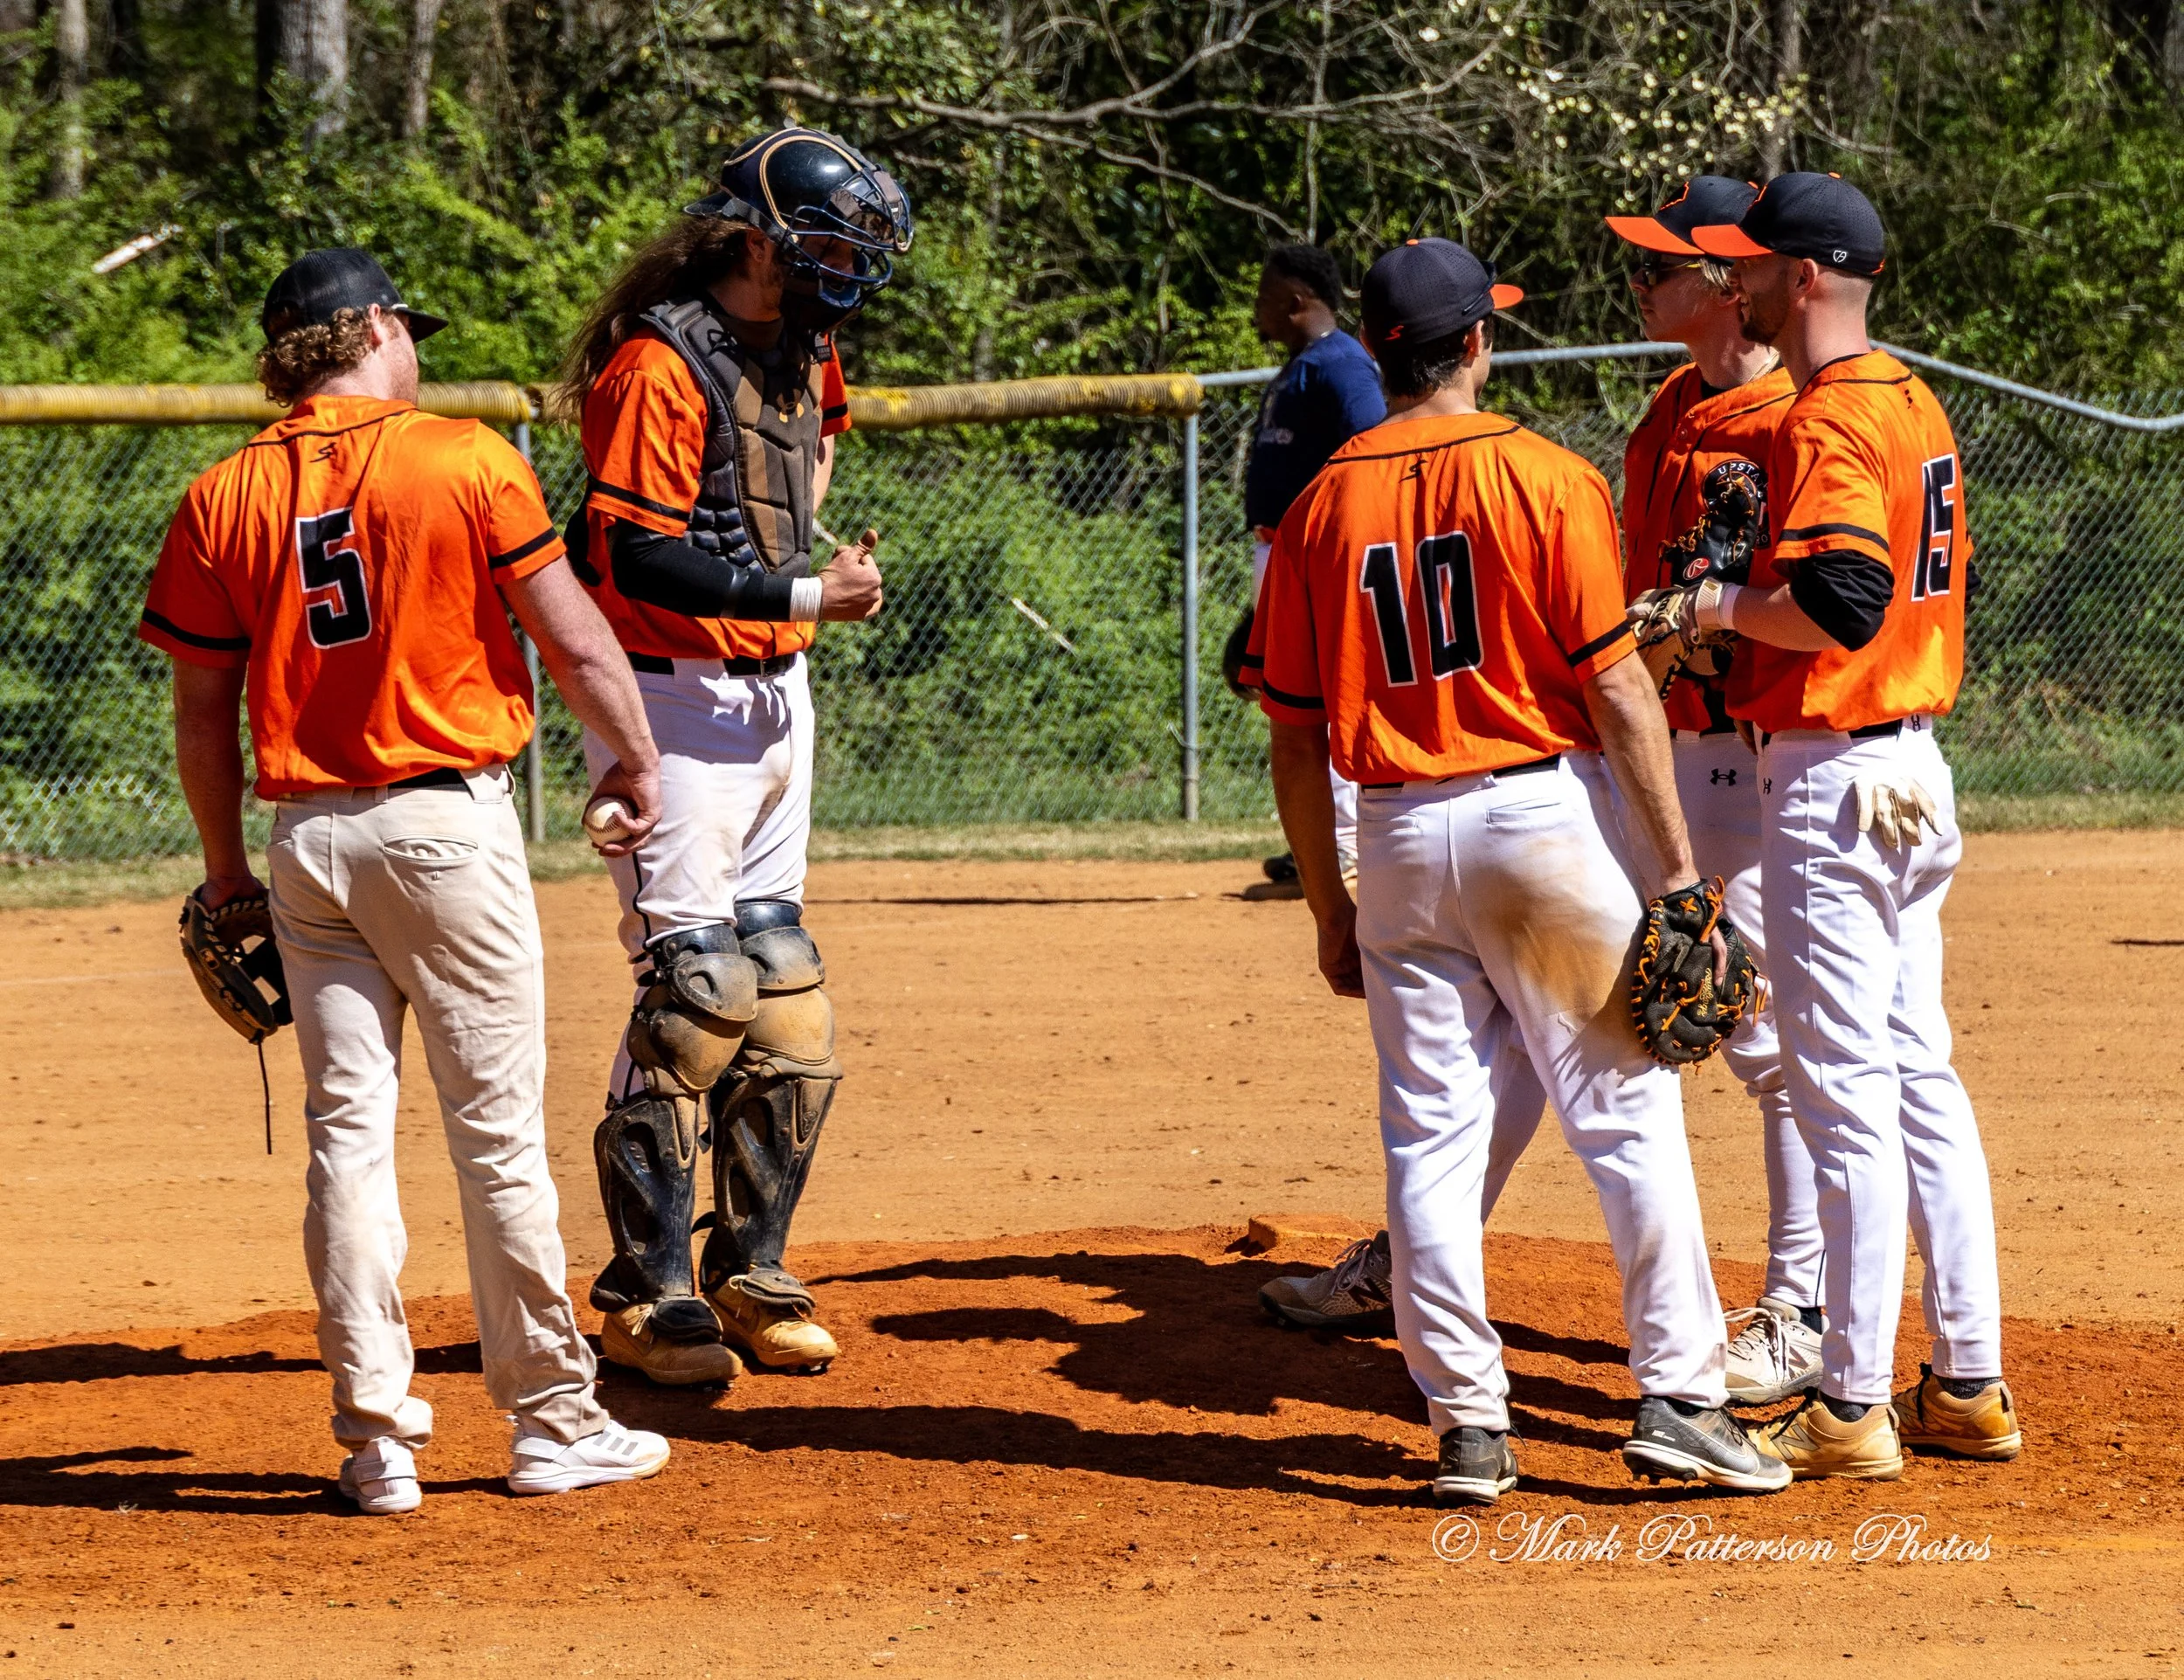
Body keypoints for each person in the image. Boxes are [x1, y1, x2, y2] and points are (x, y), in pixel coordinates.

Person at [1246, 236, 1788, 1504]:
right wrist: (1679, 886)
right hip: (1531, 820)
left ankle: (1469, 1428)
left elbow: (1289, 726)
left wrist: (1332, 904)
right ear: (1477, 342)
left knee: (1430, 1137)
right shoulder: (1544, 475)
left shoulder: (1324, 499)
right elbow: (1612, 688)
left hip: (1392, 832)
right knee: (1627, 1113)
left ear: (1378, 353)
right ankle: (1682, 1395)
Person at [141, 248, 673, 1516]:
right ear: (374, 325)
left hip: (305, 842)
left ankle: (374, 1439)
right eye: (407, 326)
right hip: (442, 830)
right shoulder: (465, 455)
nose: (415, 347)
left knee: (347, 1143)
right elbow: (574, 633)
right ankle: (550, 1418)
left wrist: (227, 875)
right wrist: (639, 761)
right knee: (493, 1139)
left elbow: (201, 714)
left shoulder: (223, 491)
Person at [555, 128, 909, 1386]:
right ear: (753, 239)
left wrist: (800, 568)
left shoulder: (806, 345)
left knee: (786, 991)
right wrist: (805, 588)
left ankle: (748, 1268)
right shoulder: (660, 359)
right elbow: (630, 555)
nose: (845, 274)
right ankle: (640, 1292)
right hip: (670, 706)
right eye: (827, 247)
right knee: (697, 995)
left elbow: (809, 451)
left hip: (773, 699)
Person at [1688, 174, 2018, 1477]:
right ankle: (1969, 1379)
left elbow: (1837, 597)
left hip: (1834, 767)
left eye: (1759, 266)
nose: (1743, 284)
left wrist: (1715, 607)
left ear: (1808, 277)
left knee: (1846, 1093)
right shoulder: (1914, 397)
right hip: (1916, 768)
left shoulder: (1829, 415)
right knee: (1918, 1071)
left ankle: (1851, 1401)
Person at [1607, 176, 1827, 1407]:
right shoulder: (1668, 408)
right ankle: (1422, 1248)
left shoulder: (1788, 416)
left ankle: (1799, 1302)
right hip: (1658, 754)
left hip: (1747, 755)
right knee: (1585, 1003)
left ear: (1726, 278)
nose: (1640, 285)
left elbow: (1803, 608)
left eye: (1659, 265)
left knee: (1759, 1030)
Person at [1233, 244, 1386, 902]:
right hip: (1284, 557)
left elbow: (1371, 449)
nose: (1258, 306)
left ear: (1298, 301)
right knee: (1290, 697)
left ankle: (1345, 847)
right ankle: (1322, 843)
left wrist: (1334, 550)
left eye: (1268, 295)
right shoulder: (1305, 365)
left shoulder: (1343, 365)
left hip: (1320, 558)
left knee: (1325, 699)